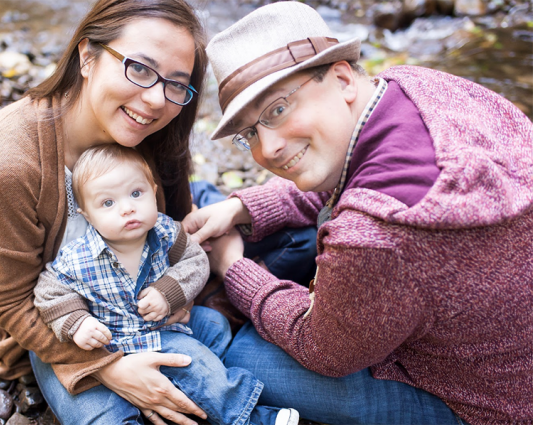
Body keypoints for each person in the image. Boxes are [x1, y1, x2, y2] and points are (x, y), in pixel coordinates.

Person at [182, 2, 533, 425]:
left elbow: (321, 349)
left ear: (343, 78)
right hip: (507, 342)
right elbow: (344, 171)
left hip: (492, 403)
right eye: (250, 132)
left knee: (244, 354)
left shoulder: (375, 234)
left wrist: (233, 267)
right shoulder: (411, 86)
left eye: (277, 109)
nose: (267, 149)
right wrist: (243, 206)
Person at [0, 1, 227, 424]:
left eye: (176, 84)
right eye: (139, 68)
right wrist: (108, 367)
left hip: (156, 319)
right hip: (63, 334)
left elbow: (175, 232)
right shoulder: (6, 163)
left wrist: (185, 291)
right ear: (87, 56)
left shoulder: (158, 134)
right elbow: (7, 299)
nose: (157, 99)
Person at [34, 144, 299, 425]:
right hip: (107, 345)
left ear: (153, 189)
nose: (127, 208)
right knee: (106, 413)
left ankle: (250, 417)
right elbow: (49, 291)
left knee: (200, 367)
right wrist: (77, 323)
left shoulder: (166, 233)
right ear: (87, 215)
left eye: (136, 193)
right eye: (108, 203)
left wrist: (168, 291)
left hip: (161, 333)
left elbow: (196, 261)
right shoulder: (78, 257)